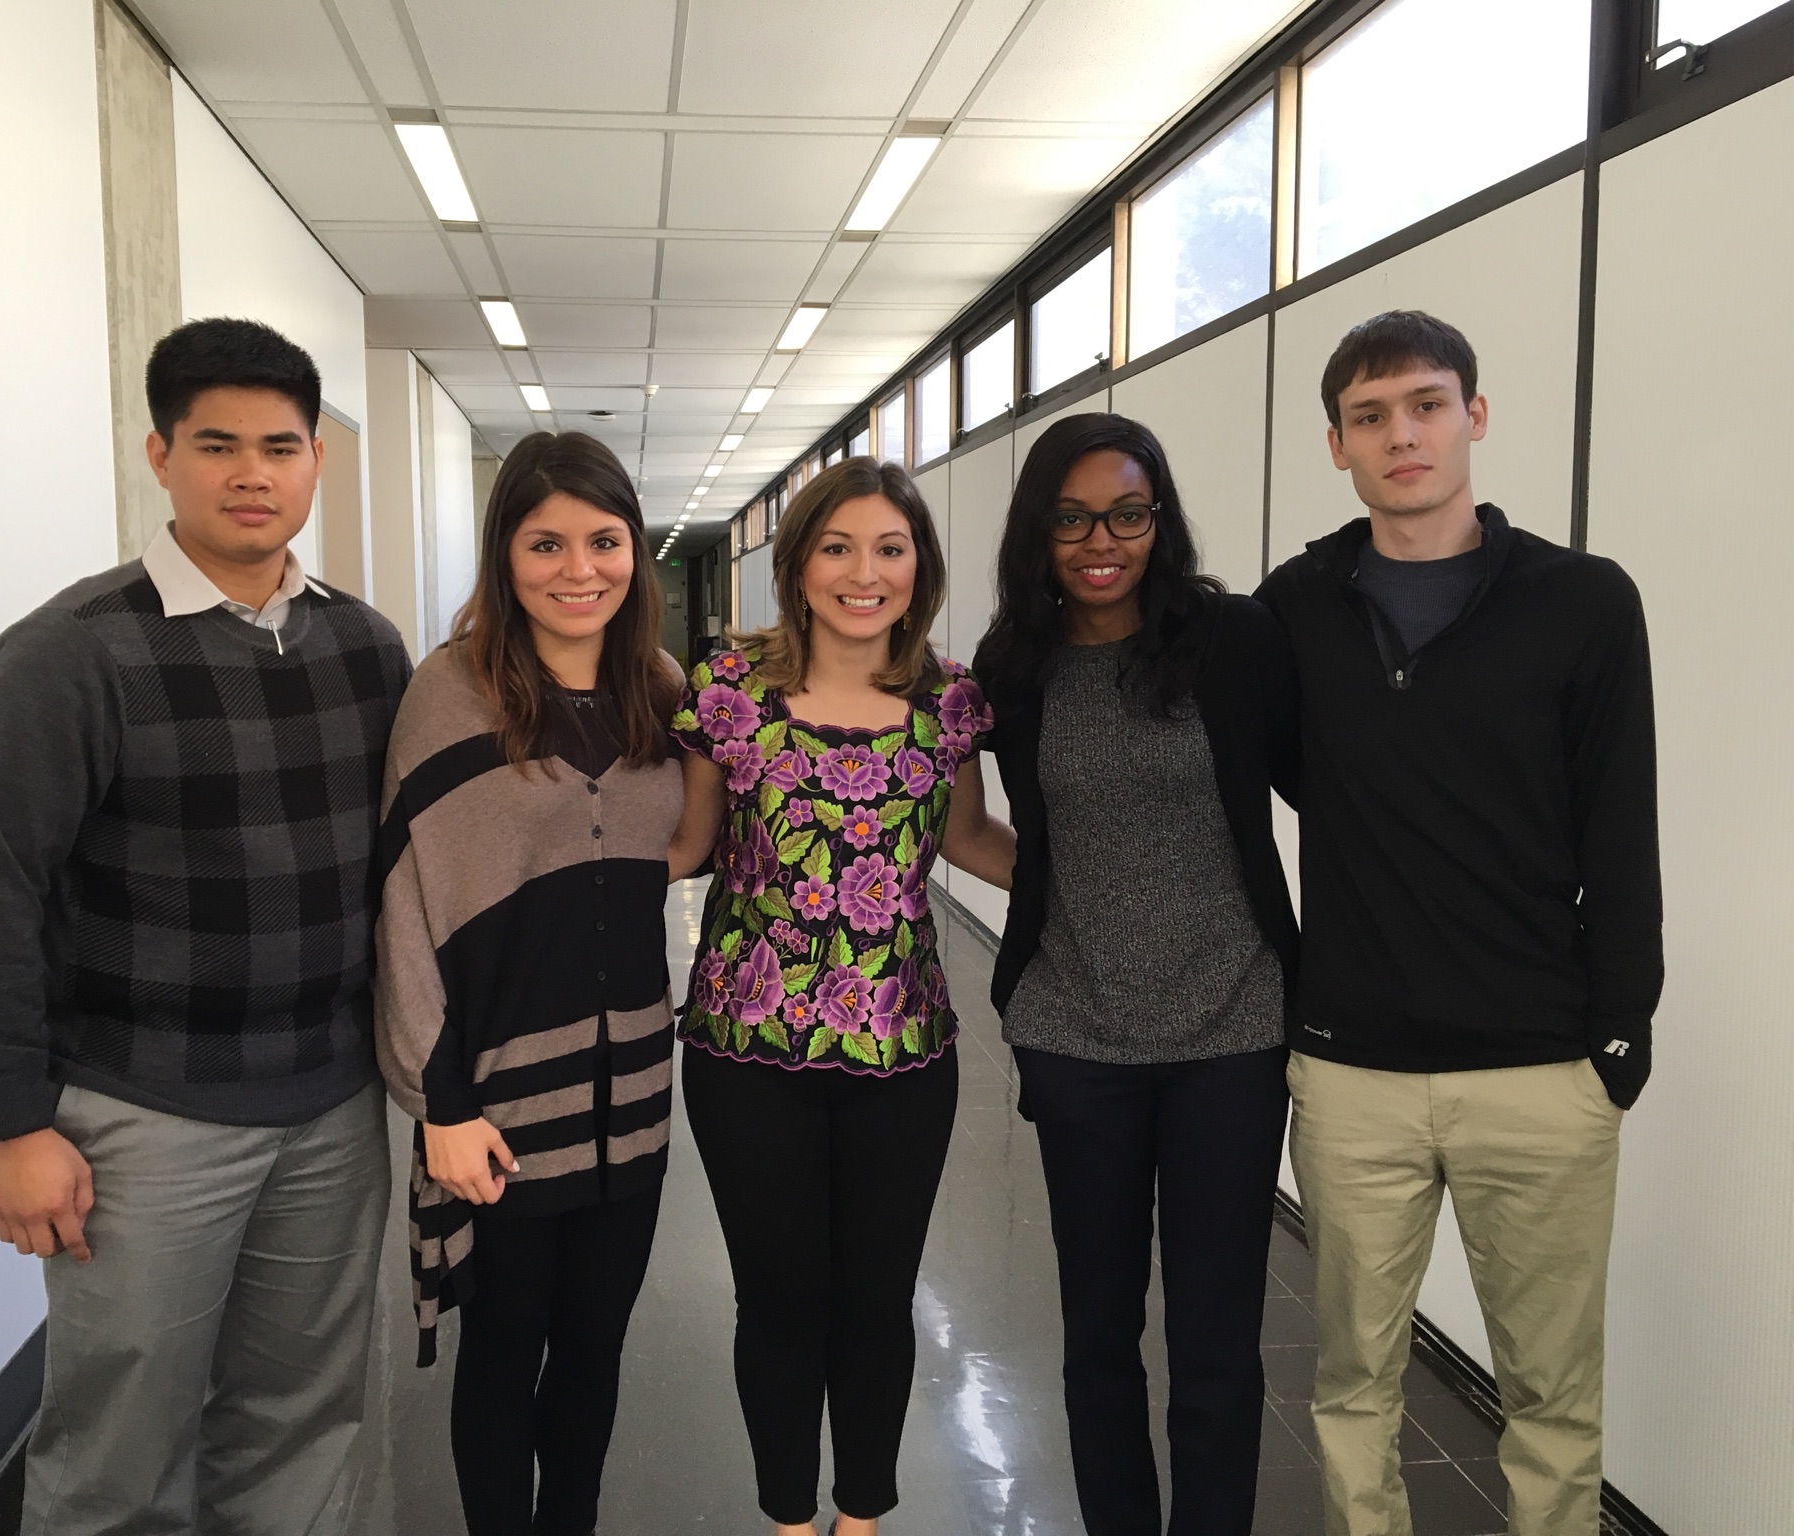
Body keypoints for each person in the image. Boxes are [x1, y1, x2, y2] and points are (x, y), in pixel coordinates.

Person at [0, 318, 412, 1535]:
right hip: (143, 1115)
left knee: (304, 1418)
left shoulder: (364, 646)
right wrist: (12, 1121)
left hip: (328, 1106)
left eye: (279, 446)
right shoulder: (68, 656)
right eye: (216, 445)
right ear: (159, 455)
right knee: (120, 1444)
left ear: (313, 464)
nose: (251, 473)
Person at [1255, 310, 1660, 1536]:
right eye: (1369, 416)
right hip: (1351, 1073)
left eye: (1426, 404)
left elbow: (1619, 824)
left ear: (1472, 416)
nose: (1401, 434)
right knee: (1350, 1387)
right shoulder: (1294, 607)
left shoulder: (1580, 601)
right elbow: (1278, 772)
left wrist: (1617, 1033)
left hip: (1540, 1069)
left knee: (1549, 1393)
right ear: (1335, 445)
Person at [666, 457, 1016, 1536]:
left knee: (874, 1302)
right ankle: (784, 1519)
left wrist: (1117, 875)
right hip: (743, 1048)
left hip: (902, 1056)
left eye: (889, 549)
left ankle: (861, 1516)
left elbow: (966, 841)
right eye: (837, 547)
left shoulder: (949, 702)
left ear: (920, 566)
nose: (864, 574)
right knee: (776, 1301)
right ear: (796, 562)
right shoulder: (726, 692)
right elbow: (684, 845)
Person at [972, 414, 1299, 1536]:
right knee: (1096, 1337)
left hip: (1231, 1032)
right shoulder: (1012, 666)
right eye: (1068, 518)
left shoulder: (1233, 639)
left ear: (1157, 519)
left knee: (1215, 1343)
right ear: (1037, 530)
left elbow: (1331, 785)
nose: (1097, 540)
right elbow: (981, 824)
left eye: (1124, 513)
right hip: (1076, 1037)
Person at [374, 431, 683, 1536]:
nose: (576, 568)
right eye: (543, 542)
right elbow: (405, 911)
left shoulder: (659, 693)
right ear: (504, 554)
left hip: (634, 1094)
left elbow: (689, 850)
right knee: (504, 1355)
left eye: (603, 541)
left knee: (594, 1351)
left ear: (634, 554)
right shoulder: (449, 693)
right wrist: (440, 1104)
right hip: (497, 1102)